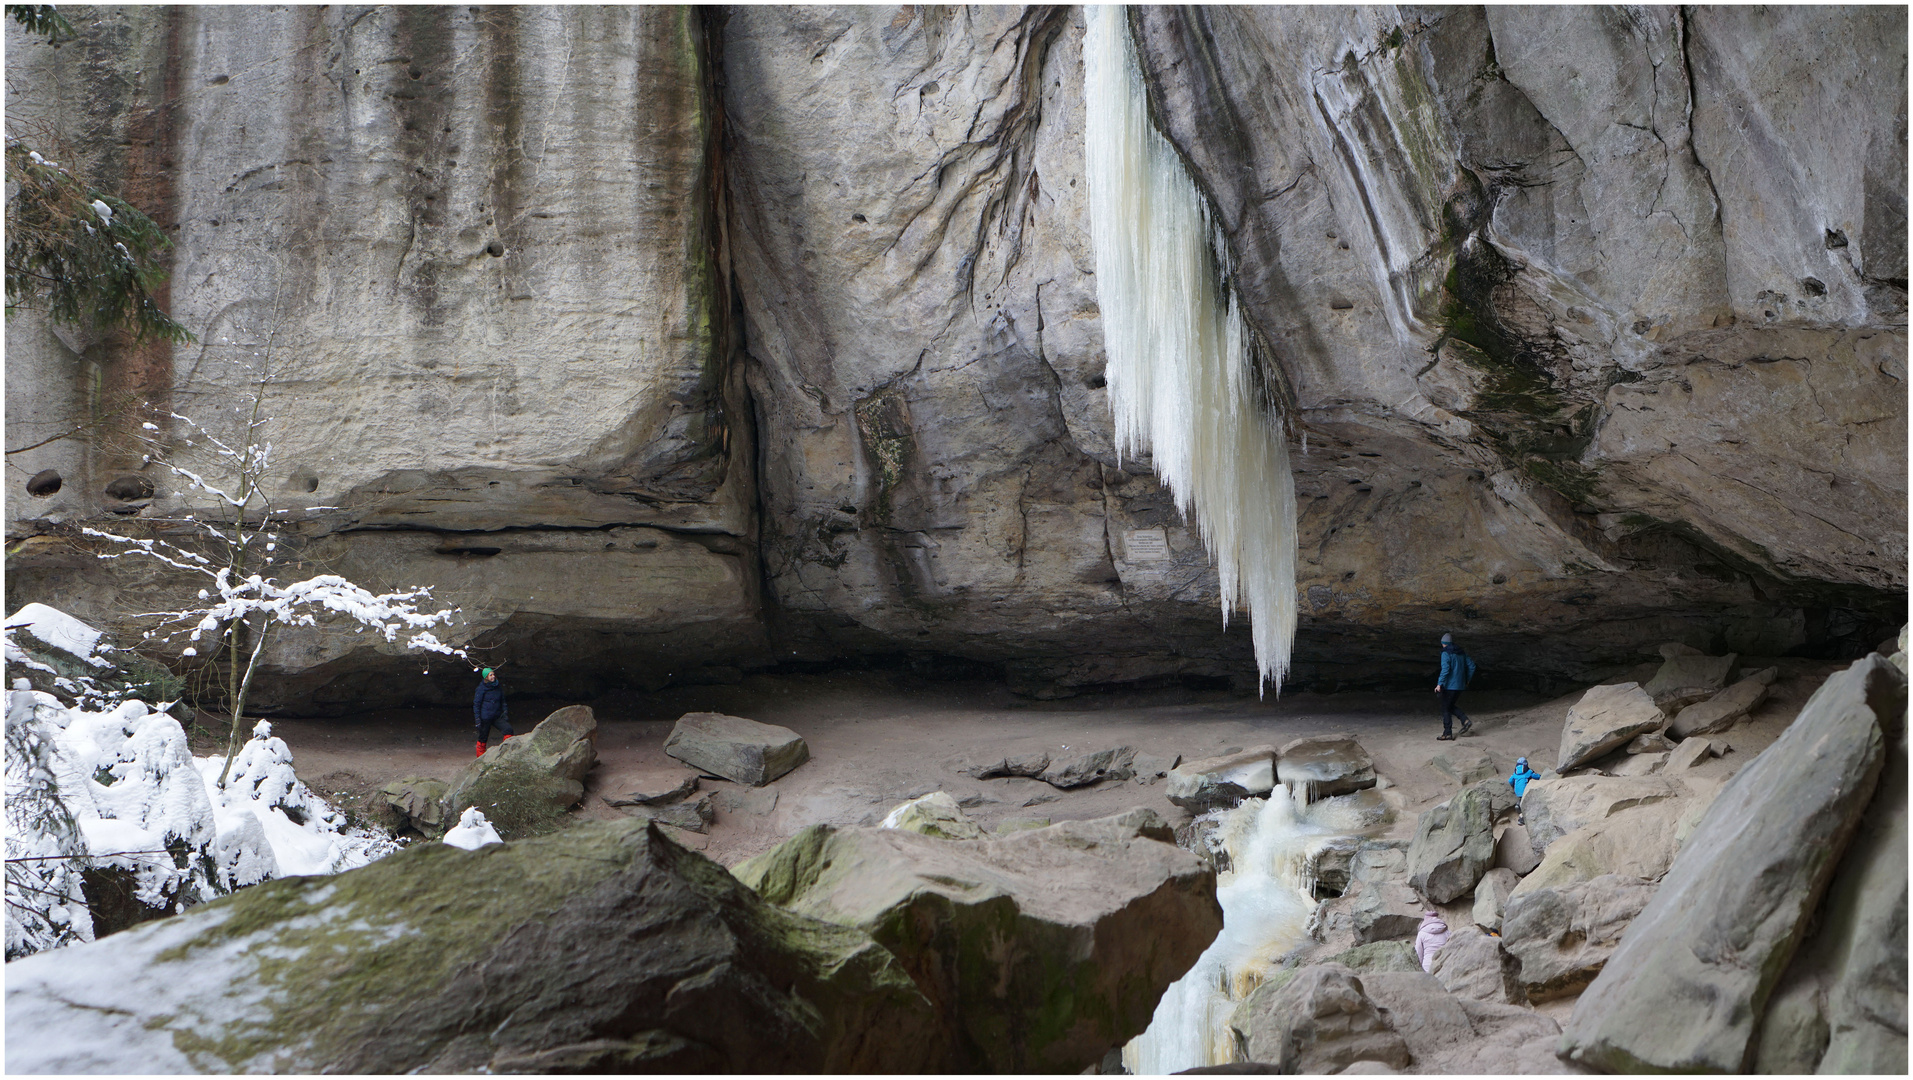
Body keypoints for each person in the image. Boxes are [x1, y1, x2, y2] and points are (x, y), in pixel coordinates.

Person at [1434, 632, 1477, 740]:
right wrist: (1467, 680)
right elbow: (1472, 666)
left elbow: (1445, 669)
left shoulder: (1445, 653)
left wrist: (1439, 684)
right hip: (1460, 685)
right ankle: (1465, 720)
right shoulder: (1461, 653)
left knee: (1445, 709)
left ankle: (1448, 733)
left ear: (1443, 643)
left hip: (1449, 686)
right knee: (1449, 705)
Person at [472, 667, 514, 757]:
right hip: (485, 717)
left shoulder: (497, 686)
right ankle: (480, 758)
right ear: (486, 677)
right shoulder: (481, 689)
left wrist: (505, 713)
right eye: (490, 675)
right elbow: (476, 704)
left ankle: (506, 753)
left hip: (496, 716)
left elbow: (502, 701)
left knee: (508, 730)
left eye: (493, 674)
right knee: (483, 738)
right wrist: (478, 719)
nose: (493, 676)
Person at [1414, 909, 1451, 974]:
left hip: (1427, 966)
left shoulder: (1421, 933)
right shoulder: (1447, 932)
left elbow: (1418, 953)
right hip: (1443, 965)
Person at [1508, 756, 1541, 825]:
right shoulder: (1528, 772)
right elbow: (1537, 777)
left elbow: (1510, 781)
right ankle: (1521, 819)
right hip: (1525, 791)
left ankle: (1518, 805)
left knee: (1521, 800)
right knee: (1526, 804)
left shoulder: (1515, 773)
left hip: (1517, 792)